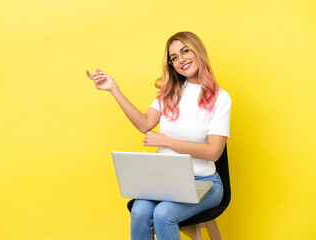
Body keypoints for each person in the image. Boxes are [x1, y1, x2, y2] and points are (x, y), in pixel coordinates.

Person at [86, 31, 231, 240]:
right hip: (167, 182)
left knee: (163, 214)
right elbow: (144, 123)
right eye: (174, 58)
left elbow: (214, 152)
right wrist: (114, 89)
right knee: (140, 210)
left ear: (197, 51)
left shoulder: (220, 98)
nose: (181, 60)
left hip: (205, 182)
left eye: (185, 51)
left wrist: (165, 141)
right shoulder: (169, 92)